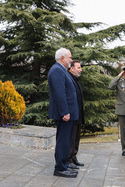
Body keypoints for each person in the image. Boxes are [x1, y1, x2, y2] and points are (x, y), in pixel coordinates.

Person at [48, 48, 79, 178]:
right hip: (64, 114)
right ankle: (60, 168)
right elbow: (59, 94)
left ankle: (64, 165)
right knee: (63, 141)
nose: (71, 60)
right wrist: (65, 112)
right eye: (70, 58)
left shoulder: (61, 70)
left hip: (68, 113)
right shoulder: (56, 70)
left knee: (66, 141)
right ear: (62, 58)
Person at [67, 59, 85, 169]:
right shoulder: (69, 79)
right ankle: (68, 160)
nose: (81, 70)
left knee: (76, 137)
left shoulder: (76, 80)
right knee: (71, 138)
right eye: (79, 67)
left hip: (78, 114)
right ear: (72, 68)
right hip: (72, 115)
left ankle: (74, 157)